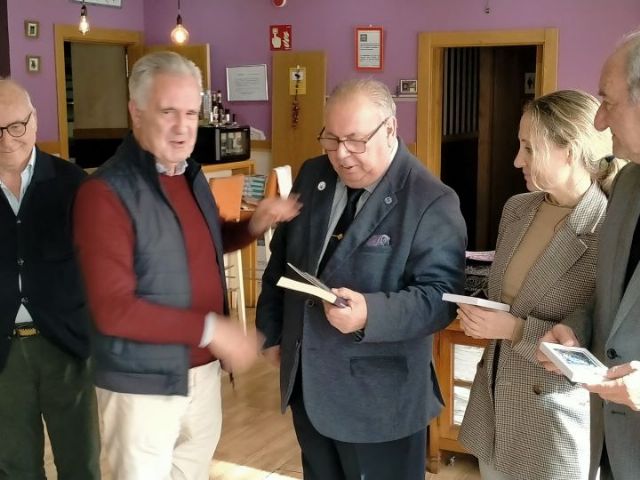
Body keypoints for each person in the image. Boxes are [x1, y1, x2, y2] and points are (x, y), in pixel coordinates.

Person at [73, 51, 300, 480]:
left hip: (203, 374)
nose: (183, 127)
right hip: (140, 386)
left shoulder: (190, 174)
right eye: (168, 112)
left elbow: (204, 240)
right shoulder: (104, 194)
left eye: (191, 112)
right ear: (135, 112)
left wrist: (253, 224)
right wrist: (214, 330)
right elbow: (113, 309)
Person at [256, 78, 467, 480]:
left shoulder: (431, 199)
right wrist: (271, 331)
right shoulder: (312, 174)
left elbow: (441, 298)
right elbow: (282, 259)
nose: (341, 155)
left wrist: (371, 312)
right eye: (331, 139)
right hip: (308, 388)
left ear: (390, 129)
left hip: (379, 404)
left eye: (355, 141)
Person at [456, 89, 622, 480]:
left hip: (553, 419)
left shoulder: (610, 228)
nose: (517, 160)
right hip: (494, 406)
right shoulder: (518, 208)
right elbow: (509, 297)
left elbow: (603, 342)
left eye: (530, 149)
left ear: (570, 150)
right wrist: (485, 315)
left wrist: (514, 330)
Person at [539, 31, 640, 480]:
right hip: (615, 449)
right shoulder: (627, 188)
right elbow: (615, 303)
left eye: (608, 101)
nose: (598, 122)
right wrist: (575, 328)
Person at [0, 79, 100, 478]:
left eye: (16, 126)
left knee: (80, 464)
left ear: (35, 122)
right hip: (4, 355)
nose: (7, 141)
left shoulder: (74, 183)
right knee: (15, 469)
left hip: (66, 346)